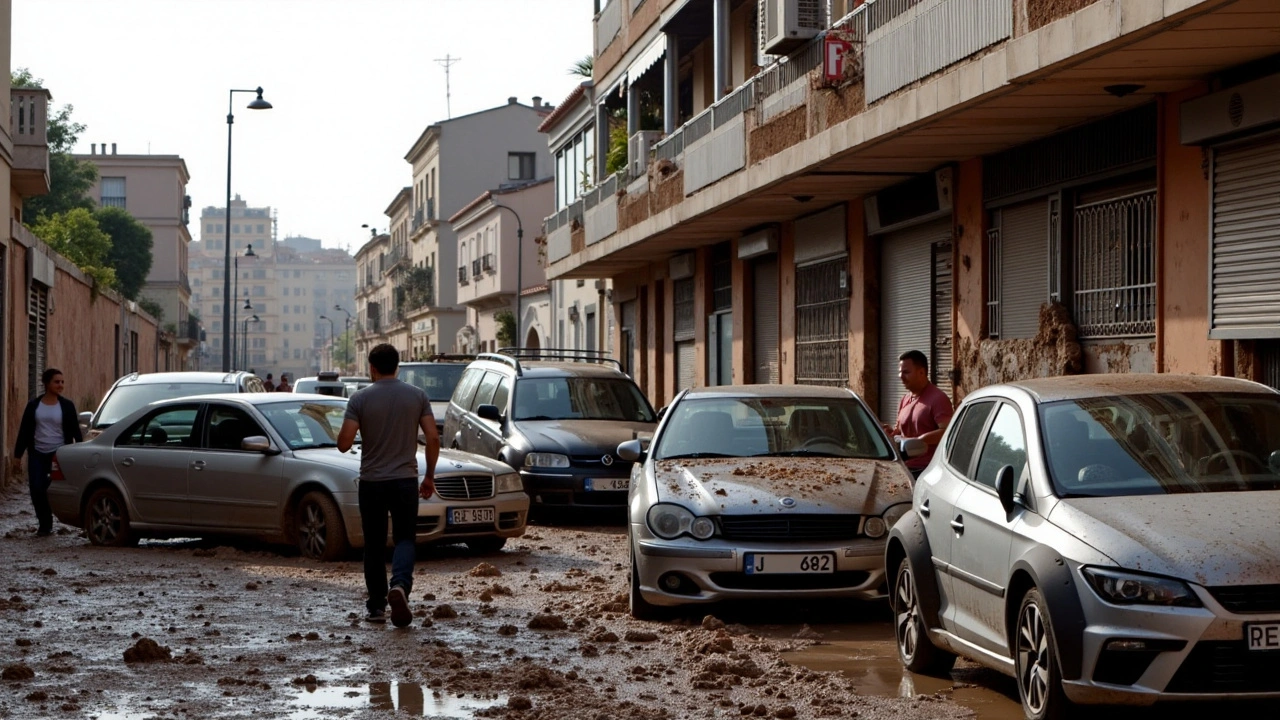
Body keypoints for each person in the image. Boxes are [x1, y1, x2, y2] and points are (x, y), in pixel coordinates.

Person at [337, 343, 439, 627]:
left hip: (372, 482)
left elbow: (344, 444)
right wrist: (429, 476)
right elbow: (432, 437)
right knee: (405, 537)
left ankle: (376, 608)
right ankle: (401, 586)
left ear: (371, 368)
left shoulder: (359, 399)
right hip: (406, 480)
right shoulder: (417, 396)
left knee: (374, 544)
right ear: (398, 366)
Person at [12, 368, 83, 536]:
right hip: (37, 453)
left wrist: (79, 451)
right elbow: (24, 430)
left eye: (62, 382)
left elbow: (75, 431)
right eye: (56, 382)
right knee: (36, 488)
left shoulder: (67, 406)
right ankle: (45, 524)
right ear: (46, 384)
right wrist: (17, 455)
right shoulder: (34, 406)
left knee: (53, 488)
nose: (60, 385)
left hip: (58, 454)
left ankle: (61, 518)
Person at [885, 350, 953, 479]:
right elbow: (900, 432)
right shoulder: (904, 400)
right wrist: (890, 432)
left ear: (921, 372)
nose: (900, 376)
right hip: (903, 468)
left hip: (927, 471)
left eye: (906, 372)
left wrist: (918, 441)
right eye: (900, 372)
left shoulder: (938, 398)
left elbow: (946, 432)